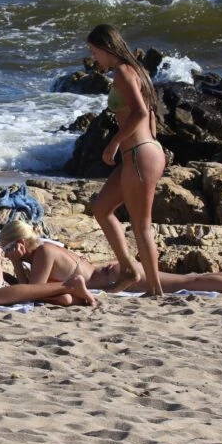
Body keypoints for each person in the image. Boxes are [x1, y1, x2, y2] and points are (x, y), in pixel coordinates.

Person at [0, 219, 222, 297]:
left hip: (118, 278)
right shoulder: (45, 250)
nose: (6, 251)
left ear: (20, 243)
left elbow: (32, 291)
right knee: (191, 279)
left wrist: (14, 265)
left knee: (192, 282)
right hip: (114, 272)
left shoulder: (44, 253)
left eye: (8, 247)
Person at [86, 24, 166, 295]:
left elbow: (141, 112)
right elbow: (151, 114)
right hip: (143, 151)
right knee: (101, 208)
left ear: (106, 47)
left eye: (94, 51)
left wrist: (115, 143)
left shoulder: (122, 72)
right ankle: (129, 270)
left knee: (142, 225)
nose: (93, 57)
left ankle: (155, 289)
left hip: (140, 153)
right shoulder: (138, 70)